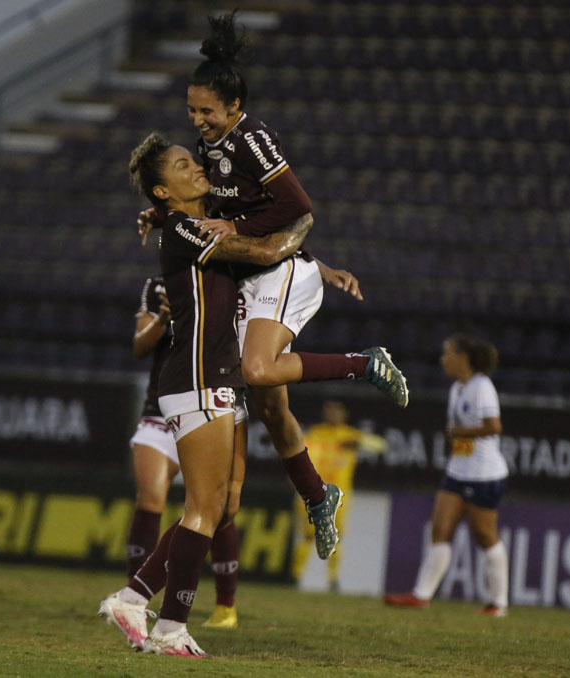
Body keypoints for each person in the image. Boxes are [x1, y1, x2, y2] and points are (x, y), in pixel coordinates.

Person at [139, 11, 409, 563]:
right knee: (269, 408)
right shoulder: (211, 144)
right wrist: (163, 209)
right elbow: (228, 207)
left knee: (258, 370)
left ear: (233, 107)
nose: (198, 119)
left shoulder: (251, 138)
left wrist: (246, 233)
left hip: (277, 271)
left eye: (206, 110)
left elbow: (296, 207)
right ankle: (317, 494)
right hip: (258, 273)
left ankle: (366, 363)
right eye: (192, 109)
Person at [100, 133, 314, 657]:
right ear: (162, 191)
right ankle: (165, 624)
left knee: (215, 507)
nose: (196, 166)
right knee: (204, 507)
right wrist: (302, 223)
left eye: (192, 158)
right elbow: (265, 249)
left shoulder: (195, 220)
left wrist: (314, 263)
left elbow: (259, 259)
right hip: (196, 376)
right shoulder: (183, 228)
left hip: (210, 376)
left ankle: (137, 601)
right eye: (181, 165)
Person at [126, 275, 241, 629]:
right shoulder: (160, 285)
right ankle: (135, 599)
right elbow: (139, 346)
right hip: (161, 409)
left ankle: (225, 606)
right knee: (150, 500)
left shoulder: (228, 281)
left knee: (218, 504)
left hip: (212, 403)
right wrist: (162, 319)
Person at [385, 334, 509, 617]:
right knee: (440, 530)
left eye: (448, 354)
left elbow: (494, 426)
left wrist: (461, 433)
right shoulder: (457, 388)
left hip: (484, 474)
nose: (443, 360)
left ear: (463, 358)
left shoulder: (481, 387)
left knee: (485, 535)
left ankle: (499, 603)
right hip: (458, 470)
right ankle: (421, 595)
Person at [291, 400, 385, 592]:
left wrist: (360, 442)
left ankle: (332, 579)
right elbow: (299, 455)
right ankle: (296, 575)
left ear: (344, 415)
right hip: (313, 492)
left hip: (338, 495)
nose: (332, 415)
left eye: (336, 412)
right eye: (329, 411)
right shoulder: (316, 433)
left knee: (334, 535)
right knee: (309, 535)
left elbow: (381, 446)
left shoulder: (350, 436)